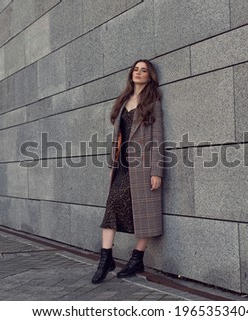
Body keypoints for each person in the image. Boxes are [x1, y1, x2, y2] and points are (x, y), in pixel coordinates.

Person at [91, 59, 164, 284]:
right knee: (112, 207)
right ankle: (106, 259)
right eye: (136, 69)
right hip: (121, 166)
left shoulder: (152, 102)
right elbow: (118, 135)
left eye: (143, 70)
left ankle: (137, 258)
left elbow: (158, 138)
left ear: (150, 76)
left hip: (143, 166)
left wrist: (157, 171)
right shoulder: (123, 101)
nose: (138, 73)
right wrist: (112, 164)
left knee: (144, 212)